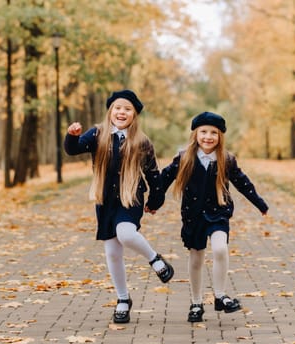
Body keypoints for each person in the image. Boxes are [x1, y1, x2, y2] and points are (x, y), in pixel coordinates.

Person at [64, 89, 174, 324]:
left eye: (127, 109)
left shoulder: (142, 142)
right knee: (112, 253)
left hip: (130, 197)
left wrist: (156, 200)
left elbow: (154, 176)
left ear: (134, 115)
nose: (121, 112)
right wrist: (72, 136)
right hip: (105, 201)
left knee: (126, 234)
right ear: (110, 111)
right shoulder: (97, 134)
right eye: (117, 108)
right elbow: (72, 150)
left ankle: (155, 259)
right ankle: (123, 300)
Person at [161, 111, 268, 323]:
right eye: (203, 132)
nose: (208, 137)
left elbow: (243, 183)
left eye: (213, 133)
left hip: (218, 212)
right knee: (196, 259)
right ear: (195, 134)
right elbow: (164, 179)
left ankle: (220, 296)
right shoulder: (184, 158)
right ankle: (196, 303)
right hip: (193, 215)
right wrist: (153, 203)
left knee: (220, 248)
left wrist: (260, 203)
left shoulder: (226, 160)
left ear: (220, 137)